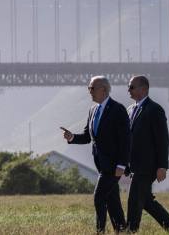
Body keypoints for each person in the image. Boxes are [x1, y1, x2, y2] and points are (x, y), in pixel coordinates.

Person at [62, 75, 129, 233]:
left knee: (99, 197)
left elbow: (126, 141)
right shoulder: (93, 110)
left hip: (113, 166)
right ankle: (122, 230)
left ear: (103, 90)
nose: (89, 91)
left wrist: (122, 164)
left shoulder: (118, 109)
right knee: (112, 200)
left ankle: (100, 231)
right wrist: (72, 137)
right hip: (101, 165)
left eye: (92, 88)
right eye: (88, 88)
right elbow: (87, 136)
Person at [125, 75, 169, 232]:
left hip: (147, 165)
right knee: (146, 201)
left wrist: (162, 166)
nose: (128, 90)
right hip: (134, 165)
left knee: (134, 199)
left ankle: (130, 230)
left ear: (144, 89)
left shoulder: (154, 109)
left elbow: (162, 140)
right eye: (128, 87)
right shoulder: (130, 110)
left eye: (132, 87)